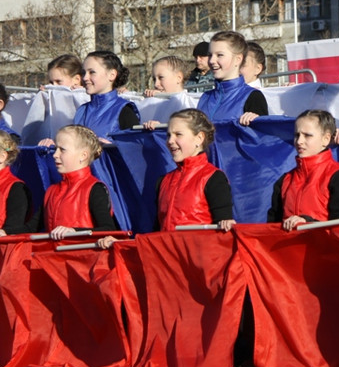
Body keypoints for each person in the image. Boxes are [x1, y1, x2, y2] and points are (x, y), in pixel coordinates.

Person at [98, 109, 234, 245]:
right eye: (168, 135)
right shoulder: (163, 181)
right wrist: (120, 244)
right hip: (168, 261)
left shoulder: (213, 178)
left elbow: (223, 232)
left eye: (178, 134)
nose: (170, 141)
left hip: (199, 261)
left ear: (199, 138)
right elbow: (156, 235)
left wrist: (227, 223)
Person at [267, 110, 339, 230]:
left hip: (324, 248)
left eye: (307, 135)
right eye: (297, 135)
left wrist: (307, 223)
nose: (299, 141)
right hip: (288, 248)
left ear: (326, 139)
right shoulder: (284, 180)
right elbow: (271, 229)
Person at [37, 125, 117, 239]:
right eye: (55, 149)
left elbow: (108, 229)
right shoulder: (52, 190)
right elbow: (31, 227)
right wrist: (5, 232)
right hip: (55, 255)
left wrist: (73, 231)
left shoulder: (94, 188)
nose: (55, 155)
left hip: (85, 255)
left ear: (83, 156)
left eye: (62, 150)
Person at [196, 31, 268, 125]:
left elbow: (261, 137)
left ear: (238, 59)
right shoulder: (205, 97)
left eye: (220, 55)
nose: (212, 60)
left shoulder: (252, 97)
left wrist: (255, 121)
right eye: (210, 55)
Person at [74, 51, 140, 142]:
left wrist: (111, 148)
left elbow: (134, 150)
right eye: (83, 73)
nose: (85, 78)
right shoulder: (81, 110)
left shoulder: (124, 110)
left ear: (112, 75)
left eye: (92, 72)